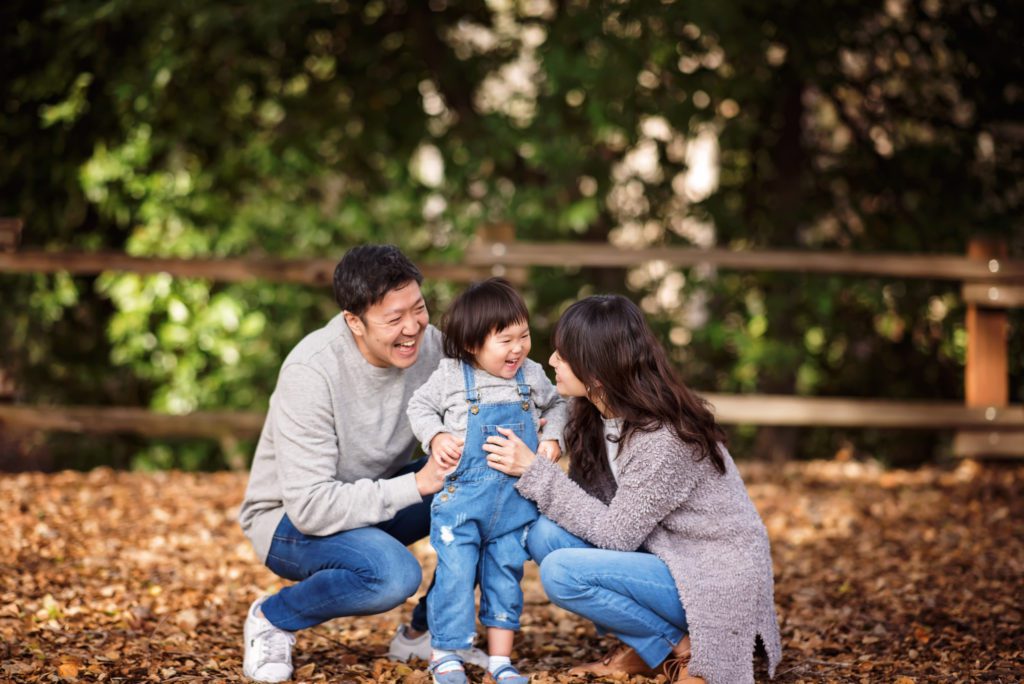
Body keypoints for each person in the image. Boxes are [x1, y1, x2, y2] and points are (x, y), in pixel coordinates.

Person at [482, 295, 782, 684]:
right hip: (665, 558)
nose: (551, 360)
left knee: (561, 572)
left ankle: (684, 652)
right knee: (544, 536)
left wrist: (536, 472)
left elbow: (615, 535)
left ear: (597, 370)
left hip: (711, 573)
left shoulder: (664, 439)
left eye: (563, 354)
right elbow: (589, 509)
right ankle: (665, 647)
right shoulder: (595, 412)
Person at [237, 245, 486, 683]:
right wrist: (419, 484)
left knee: (489, 489)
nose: (412, 328)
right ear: (354, 321)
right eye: (393, 319)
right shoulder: (311, 371)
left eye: (419, 308)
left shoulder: (432, 348)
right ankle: (273, 618)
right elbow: (310, 507)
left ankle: (425, 633)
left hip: (374, 496)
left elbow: (488, 387)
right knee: (392, 575)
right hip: (290, 520)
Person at [406, 278, 567, 684]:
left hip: (515, 504)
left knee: (505, 578)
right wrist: (436, 435)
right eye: (505, 340)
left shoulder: (531, 375)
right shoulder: (451, 376)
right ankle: (446, 652)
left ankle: (500, 660)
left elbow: (561, 404)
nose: (518, 348)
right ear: (472, 344)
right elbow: (419, 407)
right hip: (462, 504)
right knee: (456, 576)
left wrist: (552, 438)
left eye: (524, 336)